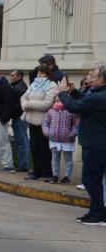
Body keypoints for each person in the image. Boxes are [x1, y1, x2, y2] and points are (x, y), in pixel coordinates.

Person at [58, 62, 106, 226]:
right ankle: (95, 212)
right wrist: (73, 91)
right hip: (96, 143)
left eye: (93, 75)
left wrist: (63, 93)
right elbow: (85, 101)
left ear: (103, 79)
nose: (89, 77)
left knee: (91, 180)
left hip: (96, 144)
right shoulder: (98, 94)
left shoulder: (99, 97)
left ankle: (99, 214)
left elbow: (74, 106)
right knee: (95, 179)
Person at [21, 64, 59, 181]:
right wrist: (24, 105)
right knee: (34, 147)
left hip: (44, 121)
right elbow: (23, 97)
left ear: (47, 74)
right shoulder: (34, 84)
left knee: (44, 148)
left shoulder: (52, 85)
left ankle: (47, 172)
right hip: (31, 120)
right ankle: (36, 171)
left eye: (41, 73)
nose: (38, 75)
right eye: (38, 73)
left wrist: (29, 104)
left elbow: (47, 104)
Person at [41, 98, 78, 184]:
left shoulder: (71, 111)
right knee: (55, 158)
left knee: (68, 159)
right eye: (57, 100)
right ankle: (55, 176)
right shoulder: (50, 111)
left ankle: (67, 177)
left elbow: (76, 124)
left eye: (61, 100)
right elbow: (45, 123)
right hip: (54, 139)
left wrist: (72, 134)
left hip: (67, 139)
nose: (59, 102)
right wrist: (47, 133)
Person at [9, 70, 30, 172]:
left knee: (22, 141)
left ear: (19, 76)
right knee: (20, 141)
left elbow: (19, 105)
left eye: (13, 75)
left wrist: (11, 110)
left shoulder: (19, 88)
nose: (10, 77)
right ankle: (21, 163)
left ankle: (23, 164)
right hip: (18, 117)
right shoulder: (18, 86)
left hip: (19, 117)